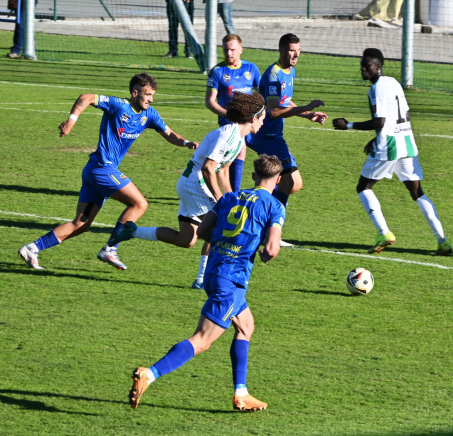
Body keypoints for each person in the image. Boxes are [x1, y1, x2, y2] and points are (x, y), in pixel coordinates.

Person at [128, 154, 285, 412]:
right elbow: (271, 248)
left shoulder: (228, 198)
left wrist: (227, 241)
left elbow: (201, 232)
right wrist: (263, 252)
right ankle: (150, 373)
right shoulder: (275, 206)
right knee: (202, 339)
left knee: (246, 326)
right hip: (231, 279)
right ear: (278, 179)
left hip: (214, 271)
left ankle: (241, 394)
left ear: (254, 176)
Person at [17, 72, 198, 270]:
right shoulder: (118, 105)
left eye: (152, 95)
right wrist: (71, 120)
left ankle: (32, 248)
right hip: (102, 168)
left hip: (95, 170)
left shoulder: (149, 114)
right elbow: (86, 97)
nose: (151, 99)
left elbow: (170, 133)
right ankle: (111, 248)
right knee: (139, 203)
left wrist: (187, 143)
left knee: (81, 223)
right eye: (147, 95)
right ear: (135, 92)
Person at [109, 92, 266, 290]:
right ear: (254, 118)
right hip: (195, 183)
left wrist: (230, 198)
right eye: (262, 119)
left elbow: (223, 170)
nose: (262, 124)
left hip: (190, 183)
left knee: (187, 239)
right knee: (219, 231)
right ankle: (204, 280)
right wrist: (219, 199)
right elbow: (209, 168)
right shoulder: (228, 134)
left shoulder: (239, 140)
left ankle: (131, 231)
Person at [332, 48, 453, 255]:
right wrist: (377, 135)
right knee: (417, 192)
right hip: (406, 141)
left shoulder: (376, 89)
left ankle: (384, 233)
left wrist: (348, 125)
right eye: (362, 65)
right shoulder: (394, 82)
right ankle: (442, 241)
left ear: (378, 67)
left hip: (388, 145)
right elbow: (403, 114)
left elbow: (380, 120)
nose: (363, 69)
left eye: (367, 65)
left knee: (364, 187)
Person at [247, 33, 327, 207]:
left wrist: (308, 115)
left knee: (293, 184)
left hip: (274, 135)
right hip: (267, 134)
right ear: (281, 50)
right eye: (292, 50)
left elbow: (284, 101)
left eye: (299, 50)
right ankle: (270, 218)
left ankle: (260, 204)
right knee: (289, 182)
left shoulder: (290, 71)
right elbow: (274, 111)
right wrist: (306, 107)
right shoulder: (273, 75)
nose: (296, 55)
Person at [205, 34, 261, 192]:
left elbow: (261, 94)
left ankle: (274, 192)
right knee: (240, 148)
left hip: (250, 121)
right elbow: (209, 101)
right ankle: (234, 192)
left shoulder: (251, 69)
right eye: (225, 50)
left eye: (232, 50)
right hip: (229, 122)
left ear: (241, 50)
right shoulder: (217, 71)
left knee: (270, 151)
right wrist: (228, 115)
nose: (229, 53)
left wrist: (260, 114)